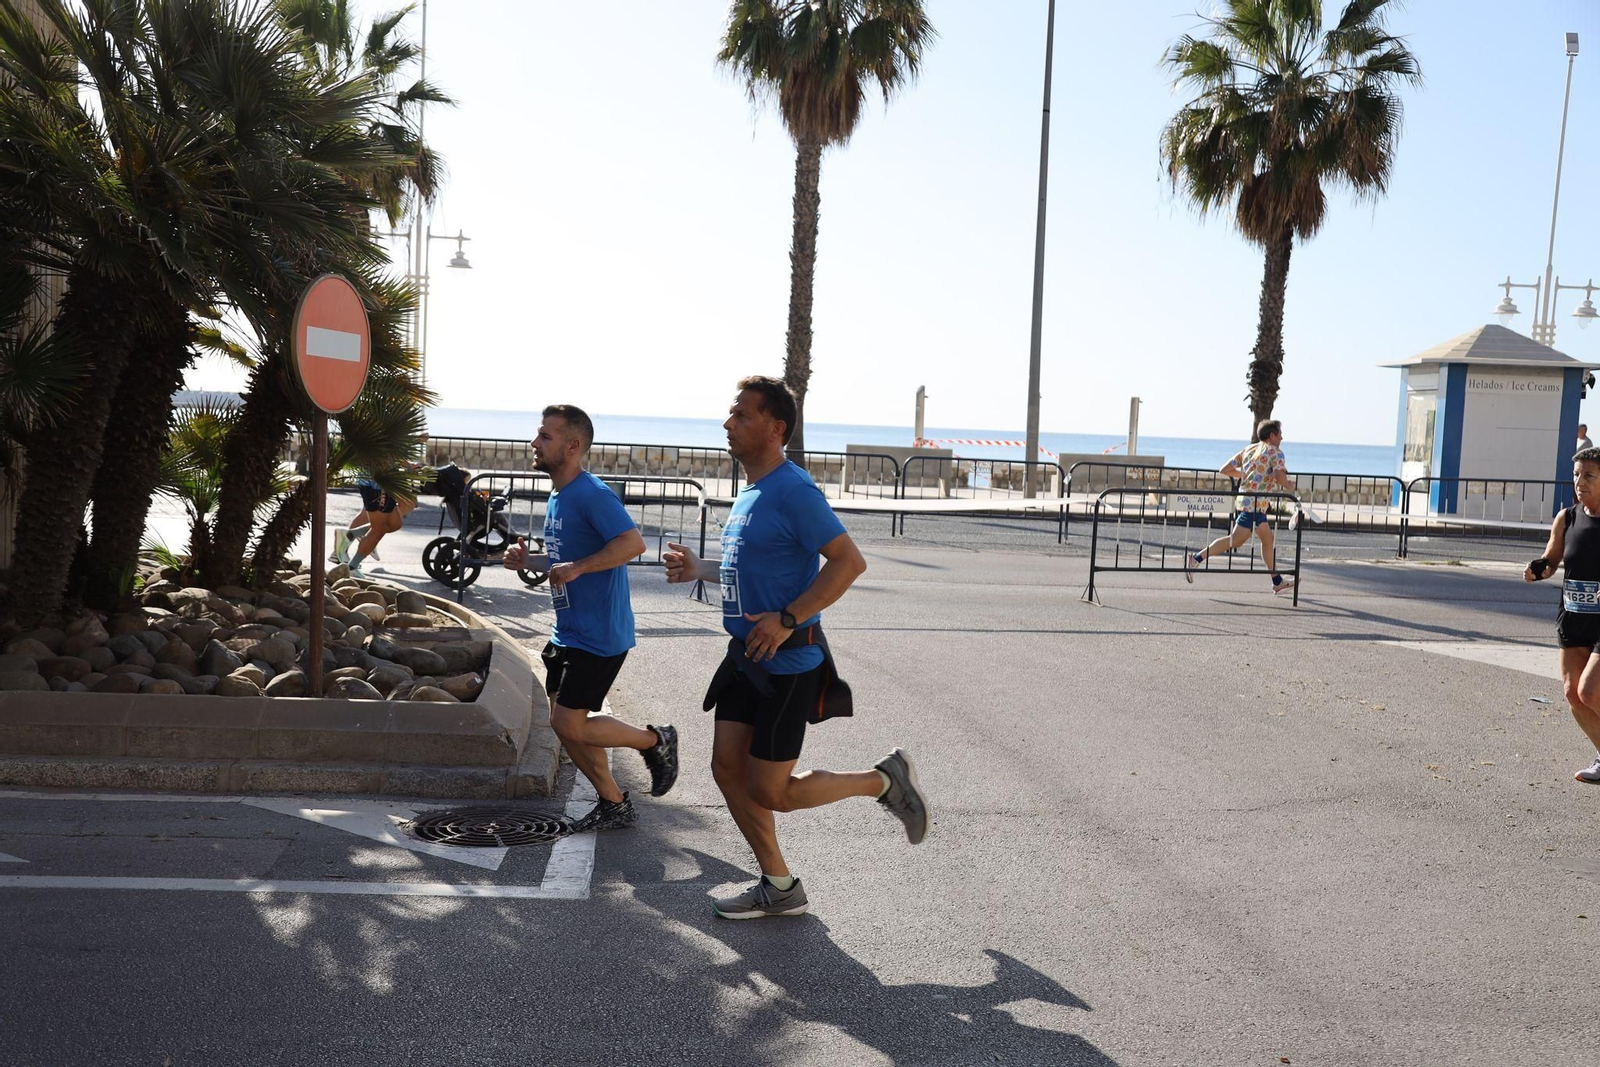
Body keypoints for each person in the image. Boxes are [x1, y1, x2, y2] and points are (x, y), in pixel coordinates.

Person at [662, 376, 929, 920]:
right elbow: (755, 569)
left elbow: (849, 562)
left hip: (787, 664)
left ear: (775, 427)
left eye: (742, 415)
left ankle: (883, 780)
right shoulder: (752, 493)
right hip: (744, 658)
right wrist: (700, 569)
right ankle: (779, 885)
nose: (728, 423)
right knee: (727, 770)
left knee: (772, 791)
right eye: (731, 413)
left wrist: (787, 620)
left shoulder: (793, 490)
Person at [503, 404, 679, 831]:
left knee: (568, 722)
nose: (534, 442)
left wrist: (578, 568)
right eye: (538, 434)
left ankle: (656, 740)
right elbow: (565, 560)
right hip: (567, 630)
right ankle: (614, 803)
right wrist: (530, 561)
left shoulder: (592, 494)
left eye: (545, 436)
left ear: (573, 445)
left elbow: (632, 543)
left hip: (599, 633)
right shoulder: (560, 495)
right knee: (567, 728)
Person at [1526, 447, 1600, 783]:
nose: (1580, 482)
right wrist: (1538, 569)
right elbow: (1552, 559)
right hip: (1573, 616)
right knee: (1572, 693)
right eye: (1576, 475)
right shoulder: (1567, 518)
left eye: (1589, 476)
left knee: (1590, 691)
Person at [1184, 419, 1297, 596]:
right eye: (1280, 434)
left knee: (1266, 539)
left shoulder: (1249, 449)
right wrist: (1289, 485)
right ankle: (1196, 558)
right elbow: (1278, 475)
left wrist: (1245, 477)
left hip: (1248, 501)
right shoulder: (1276, 452)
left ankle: (1277, 581)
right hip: (1255, 505)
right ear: (1272, 435)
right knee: (1235, 541)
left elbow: (1224, 469)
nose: (1282, 438)